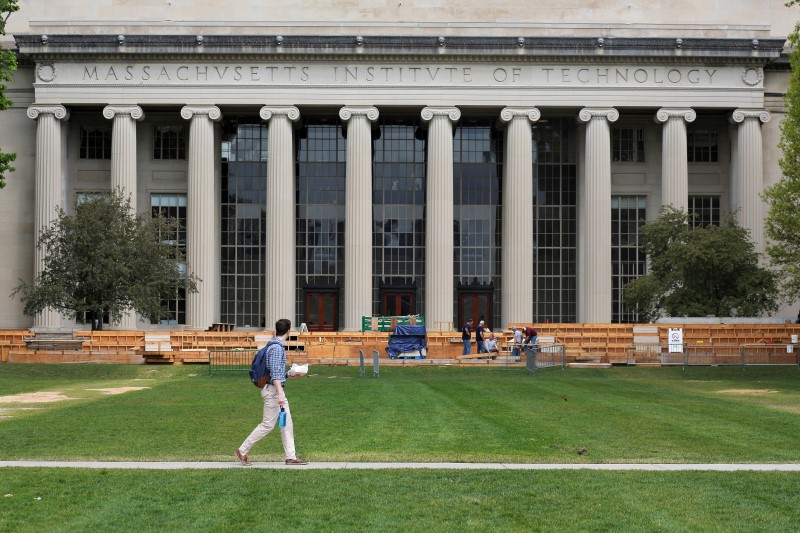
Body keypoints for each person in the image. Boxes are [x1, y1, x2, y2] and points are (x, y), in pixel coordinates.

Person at [236, 318, 308, 466]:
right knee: (267, 425)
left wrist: (289, 375)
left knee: (287, 423)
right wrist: (280, 393)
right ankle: (242, 451)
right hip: (274, 392)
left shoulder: (274, 345)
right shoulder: (276, 348)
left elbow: (276, 373)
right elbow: (275, 374)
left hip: (275, 390)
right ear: (288, 331)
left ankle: (291, 457)